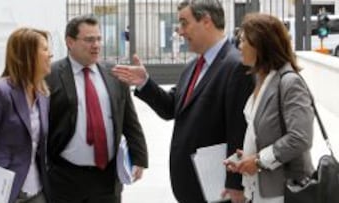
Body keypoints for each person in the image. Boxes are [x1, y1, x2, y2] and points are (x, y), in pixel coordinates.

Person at [112, 0, 254, 202]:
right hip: (192, 186)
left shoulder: (236, 67)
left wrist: (235, 184)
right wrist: (145, 82)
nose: (179, 31)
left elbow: (238, 131)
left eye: (184, 23)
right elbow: (172, 107)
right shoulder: (193, 67)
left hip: (219, 191)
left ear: (206, 21)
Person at [45, 15, 148, 203]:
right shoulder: (51, 76)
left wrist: (139, 157)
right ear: (70, 42)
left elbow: (129, 119)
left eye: (99, 39)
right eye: (89, 39)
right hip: (65, 178)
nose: (96, 45)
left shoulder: (114, 74)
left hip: (107, 179)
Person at [224, 13, 314, 203]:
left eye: (243, 41)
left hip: (285, 192)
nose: (239, 47)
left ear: (260, 44)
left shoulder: (290, 82)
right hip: (259, 190)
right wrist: (247, 157)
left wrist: (257, 160)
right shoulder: (261, 80)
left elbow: (300, 137)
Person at [0, 27, 53, 203]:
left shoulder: (43, 94)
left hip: (38, 191)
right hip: (5, 194)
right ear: (27, 55)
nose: (50, 54)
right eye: (44, 49)